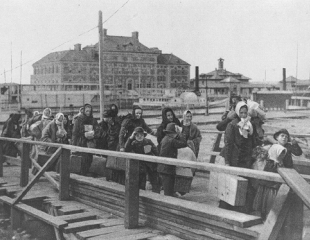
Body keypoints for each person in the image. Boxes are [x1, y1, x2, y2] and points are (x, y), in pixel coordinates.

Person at [219, 101, 255, 212]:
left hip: (245, 159)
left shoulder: (249, 125)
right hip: (235, 158)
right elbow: (228, 144)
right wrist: (227, 161)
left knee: (244, 184)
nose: (243, 115)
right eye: (241, 113)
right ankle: (227, 207)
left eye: (245, 113)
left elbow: (251, 142)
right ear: (237, 113)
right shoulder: (232, 125)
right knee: (232, 184)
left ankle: (243, 208)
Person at [253, 144, 287, 220]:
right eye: (281, 153)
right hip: (269, 186)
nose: (282, 155)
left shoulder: (279, 163)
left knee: (270, 204)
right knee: (266, 203)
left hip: (274, 186)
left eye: (283, 154)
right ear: (275, 153)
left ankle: (268, 218)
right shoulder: (270, 162)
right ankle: (264, 218)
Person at [125, 127, 160, 193]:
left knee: (155, 182)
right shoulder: (133, 143)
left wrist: (157, 160)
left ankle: (156, 196)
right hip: (140, 166)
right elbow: (126, 149)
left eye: (141, 135)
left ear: (144, 135)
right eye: (137, 135)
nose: (139, 137)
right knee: (141, 183)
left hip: (151, 165)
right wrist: (130, 138)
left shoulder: (148, 141)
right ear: (134, 136)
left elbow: (156, 152)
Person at [158, 123, 187, 196]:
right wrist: (180, 133)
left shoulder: (165, 138)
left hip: (164, 167)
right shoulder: (171, 140)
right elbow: (184, 143)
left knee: (169, 190)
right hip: (167, 169)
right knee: (168, 192)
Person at [72, 104, 100, 176]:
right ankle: (82, 173)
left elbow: (98, 131)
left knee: (89, 158)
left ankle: (85, 172)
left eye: (90, 111)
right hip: (81, 142)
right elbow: (75, 133)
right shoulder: (78, 120)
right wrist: (73, 145)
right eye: (87, 111)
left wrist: (93, 134)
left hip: (90, 142)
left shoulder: (93, 120)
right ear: (84, 111)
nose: (88, 113)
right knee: (82, 159)